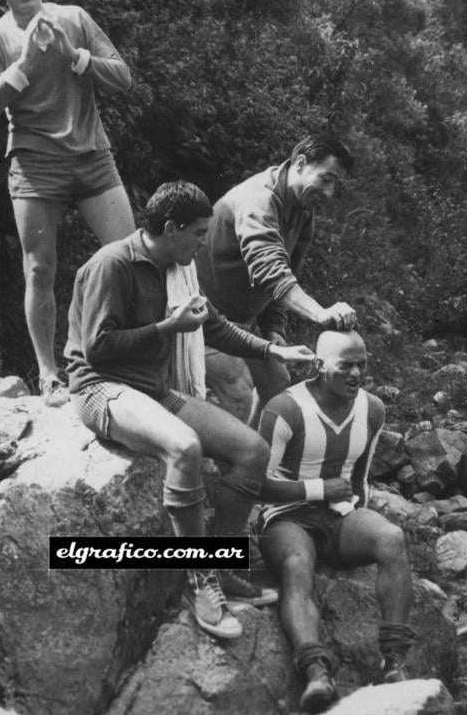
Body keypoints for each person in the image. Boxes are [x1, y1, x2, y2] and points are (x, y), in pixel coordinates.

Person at [65, 181, 316, 639]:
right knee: (185, 448)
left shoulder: (176, 267)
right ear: (172, 228)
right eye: (199, 233)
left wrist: (275, 352)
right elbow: (97, 350)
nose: (204, 242)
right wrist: (167, 327)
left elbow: (214, 327)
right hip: (101, 389)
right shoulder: (113, 264)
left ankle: (221, 565)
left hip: (152, 390)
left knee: (252, 451)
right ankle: (199, 578)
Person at [0, 0, 136, 406]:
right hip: (35, 162)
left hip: (91, 155)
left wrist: (74, 55)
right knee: (39, 269)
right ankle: (49, 374)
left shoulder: (74, 18)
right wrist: (23, 64)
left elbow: (122, 77)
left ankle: (118, 362)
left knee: (128, 258)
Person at [257, 330, 417, 712]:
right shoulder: (284, 409)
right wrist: (318, 490)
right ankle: (316, 672)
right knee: (298, 566)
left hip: (337, 518)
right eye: (345, 365)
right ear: (318, 366)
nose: (356, 373)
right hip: (285, 517)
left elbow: (360, 479)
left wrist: (354, 513)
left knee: (392, 538)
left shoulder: (372, 409)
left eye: (362, 364)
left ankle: (394, 662)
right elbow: (257, 485)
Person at [195, 135, 359, 424]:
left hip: (240, 325)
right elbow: (270, 270)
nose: (329, 192)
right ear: (299, 163)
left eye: (335, 184)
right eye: (326, 179)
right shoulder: (258, 199)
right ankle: (234, 465)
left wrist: (273, 328)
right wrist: (320, 313)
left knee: (278, 386)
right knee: (240, 391)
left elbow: (286, 274)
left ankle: (256, 454)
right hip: (199, 319)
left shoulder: (301, 210)